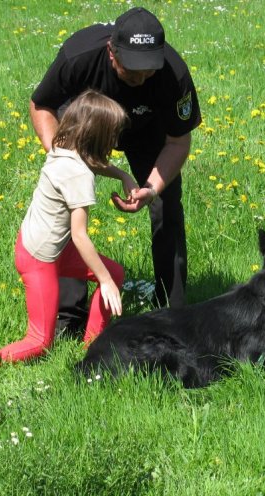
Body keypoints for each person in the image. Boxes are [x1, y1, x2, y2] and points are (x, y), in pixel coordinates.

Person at [30, 6, 201, 332]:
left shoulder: (172, 73)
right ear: (112, 52)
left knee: (167, 204)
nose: (140, 78)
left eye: (148, 71)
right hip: (87, 124)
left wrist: (150, 188)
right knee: (67, 207)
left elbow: (178, 142)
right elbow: (42, 104)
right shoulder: (79, 55)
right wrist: (61, 160)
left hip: (147, 130)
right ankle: (70, 317)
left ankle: (172, 309)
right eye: (131, 70)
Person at [0, 90, 131, 365]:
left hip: (47, 246)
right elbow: (80, 235)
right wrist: (106, 282)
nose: (115, 141)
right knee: (39, 341)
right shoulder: (79, 175)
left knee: (114, 272)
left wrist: (122, 175)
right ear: (97, 136)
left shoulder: (61, 148)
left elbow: (93, 163)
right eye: (112, 134)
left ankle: (93, 345)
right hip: (39, 259)